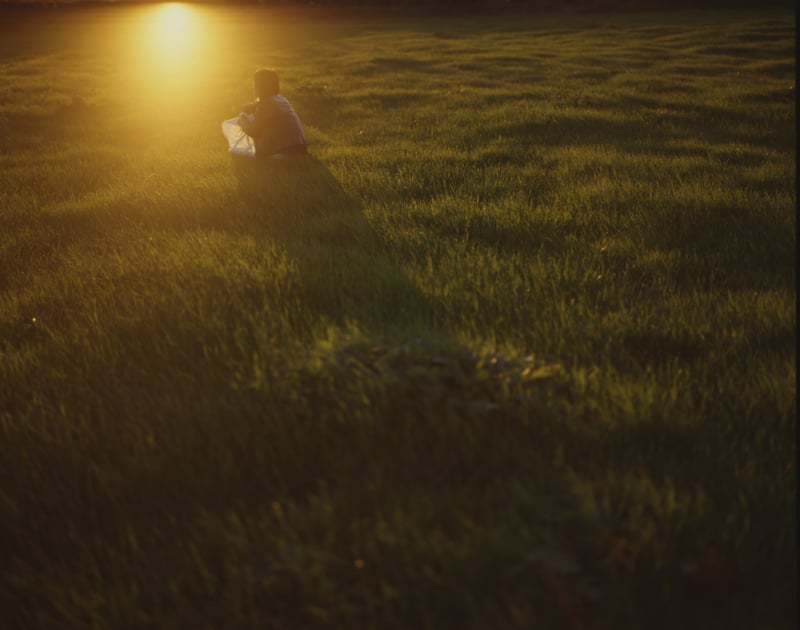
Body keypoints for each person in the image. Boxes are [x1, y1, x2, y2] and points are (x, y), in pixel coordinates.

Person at [238, 68, 308, 158]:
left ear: (259, 86)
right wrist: (252, 107)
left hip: (284, 152)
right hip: (299, 148)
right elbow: (263, 107)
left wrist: (242, 118)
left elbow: (252, 130)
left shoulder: (266, 104)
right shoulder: (281, 99)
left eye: (254, 83)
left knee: (254, 126)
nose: (253, 86)